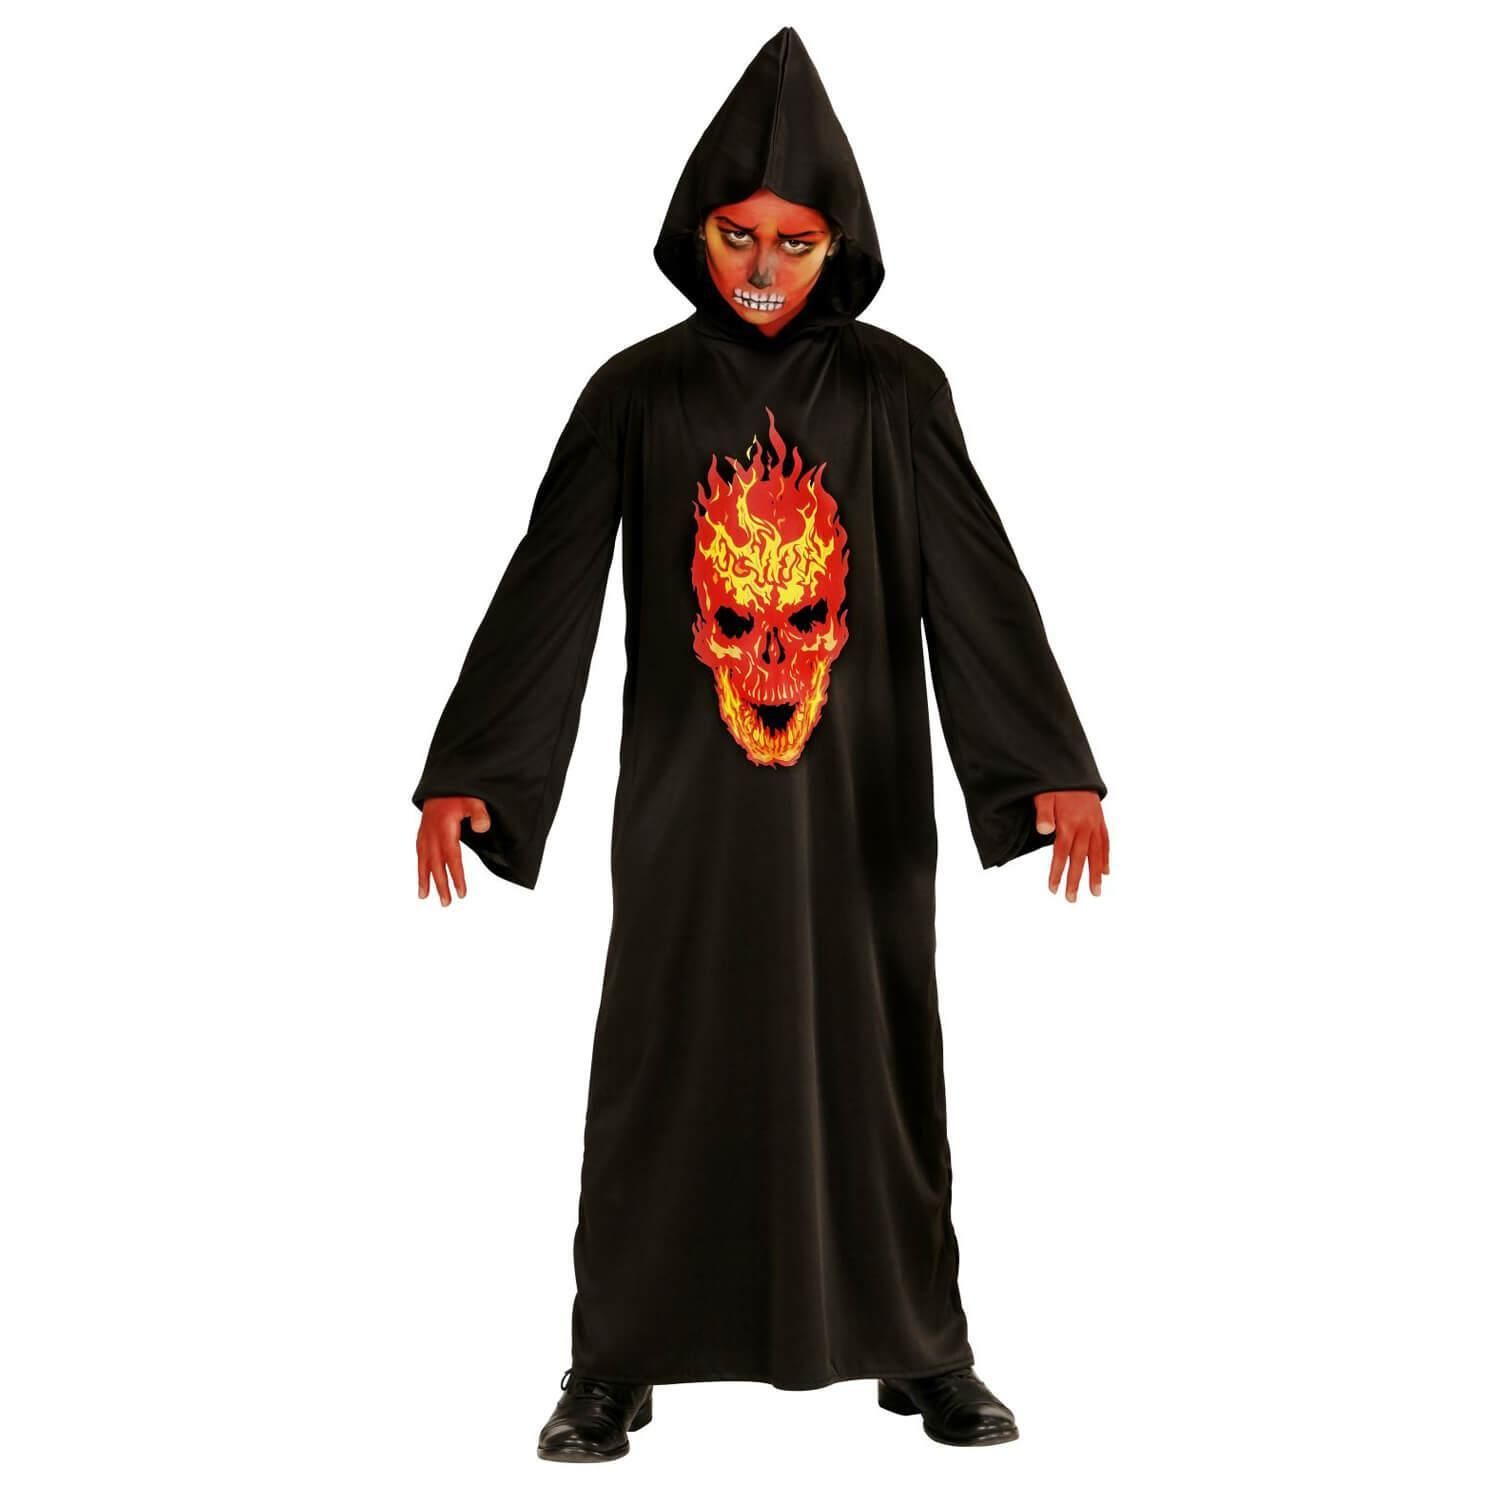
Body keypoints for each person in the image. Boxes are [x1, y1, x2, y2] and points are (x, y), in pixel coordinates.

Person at [411, 26, 1109, 1462]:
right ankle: (614, 1359)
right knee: (663, 1055)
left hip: (862, 806)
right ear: (697, 231)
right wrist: (476, 771)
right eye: (739, 235)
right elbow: (551, 580)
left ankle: (919, 1345)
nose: (763, 268)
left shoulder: (898, 393)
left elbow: (975, 576)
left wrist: (1048, 762)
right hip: (689, 806)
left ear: (837, 244)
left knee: (880, 1052)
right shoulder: (638, 393)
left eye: (795, 241)